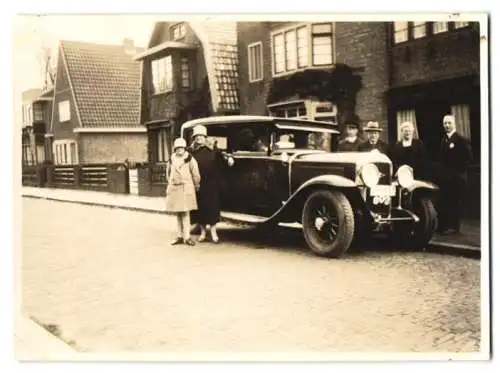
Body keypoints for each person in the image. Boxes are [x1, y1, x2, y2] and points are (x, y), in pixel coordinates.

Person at [189, 125, 233, 243]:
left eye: (201, 136)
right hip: (198, 184)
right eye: (197, 137)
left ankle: (213, 233)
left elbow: (222, 160)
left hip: (212, 184)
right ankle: (203, 233)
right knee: (201, 209)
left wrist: (229, 160)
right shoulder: (192, 151)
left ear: (205, 137)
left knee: (212, 208)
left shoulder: (213, 150)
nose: (199, 139)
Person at [437, 114, 473, 234]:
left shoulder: (461, 140)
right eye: (445, 123)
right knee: (445, 202)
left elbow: (467, 158)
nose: (447, 125)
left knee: (455, 202)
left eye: (449, 123)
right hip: (445, 178)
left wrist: (456, 172)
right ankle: (445, 226)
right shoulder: (444, 140)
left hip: (456, 178)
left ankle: (454, 227)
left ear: (454, 124)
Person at [165, 138, 201, 246]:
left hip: (186, 188)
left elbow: (195, 173)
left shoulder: (190, 158)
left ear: (184, 148)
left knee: (185, 213)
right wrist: (171, 183)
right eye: (177, 148)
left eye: (181, 148)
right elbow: (168, 172)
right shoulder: (172, 159)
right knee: (178, 213)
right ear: (175, 149)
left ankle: (187, 237)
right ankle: (179, 236)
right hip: (175, 188)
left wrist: (196, 184)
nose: (179, 150)